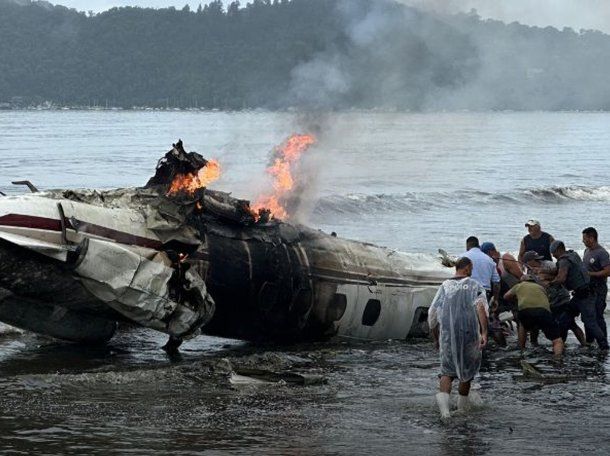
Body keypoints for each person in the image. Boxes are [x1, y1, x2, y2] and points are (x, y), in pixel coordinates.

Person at [428, 257, 489, 419]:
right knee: (466, 373)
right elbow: (481, 307)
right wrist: (484, 332)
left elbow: (432, 314)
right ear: (468, 268)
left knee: (447, 372)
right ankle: (462, 410)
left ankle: (445, 412)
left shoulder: (445, 286)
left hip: (448, 335)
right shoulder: (475, 285)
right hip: (469, 335)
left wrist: (436, 337)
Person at [550, 240, 608, 351]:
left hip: (585, 296)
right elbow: (561, 271)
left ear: (559, 250)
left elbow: (561, 278)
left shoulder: (564, 261)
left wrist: (550, 283)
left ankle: (604, 346)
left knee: (590, 322)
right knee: (564, 319)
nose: (553, 255)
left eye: (554, 253)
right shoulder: (573, 254)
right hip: (580, 295)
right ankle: (560, 344)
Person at [522, 250, 586, 346]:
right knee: (536, 325)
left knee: (570, 324)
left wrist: (542, 273)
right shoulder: (529, 270)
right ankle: (534, 344)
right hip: (548, 302)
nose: (537, 261)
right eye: (535, 260)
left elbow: (560, 276)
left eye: (537, 259)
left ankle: (584, 344)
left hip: (561, 299)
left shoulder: (549, 264)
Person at [503, 275, 564, 356]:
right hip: (543, 312)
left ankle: (522, 350)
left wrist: (516, 299)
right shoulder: (540, 287)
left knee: (522, 325)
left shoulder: (519, 285)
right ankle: (558, 359)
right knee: (557, 340)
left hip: (525, 311)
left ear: (522, 281)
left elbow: (505, 296)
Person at [582, 227, 610, 340]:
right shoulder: (586, 251)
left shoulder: (602, 253)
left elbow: (608, 272)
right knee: (587, 316)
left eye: (584, 238)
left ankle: (603, 343)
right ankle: (589, 341)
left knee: (598, 316)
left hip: (599, 289)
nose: (583, 241)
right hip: (588, 289)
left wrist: (590, 274)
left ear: (591, 238)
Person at [462, 237, 500, 306]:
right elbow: (496, 283)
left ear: (467, 245)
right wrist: (495, 299)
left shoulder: (462, 257)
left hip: (467, 290)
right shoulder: (489, 260)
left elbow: (458, 277)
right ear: (478, 245)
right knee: (482, 315)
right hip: (484, 292)